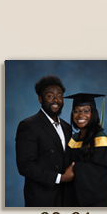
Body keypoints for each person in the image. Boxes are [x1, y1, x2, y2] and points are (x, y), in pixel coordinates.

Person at [15, 75, 74, 207]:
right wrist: (60, 178)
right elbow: (25, 166)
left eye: (59, 96)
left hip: (66, 196)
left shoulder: (67, 127)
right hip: (42, 198)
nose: (56, 100)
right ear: (40, 99)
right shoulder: (28, 125)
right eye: (50, 96)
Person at [63, 93, 107, 207]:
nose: (80, 115)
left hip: (95, 204)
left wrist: (75, 169)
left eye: (86, 110)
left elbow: (102, 174)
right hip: (72, 200)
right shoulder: (73, 140)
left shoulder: (101, 141)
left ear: (94, 113)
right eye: (76, 111)